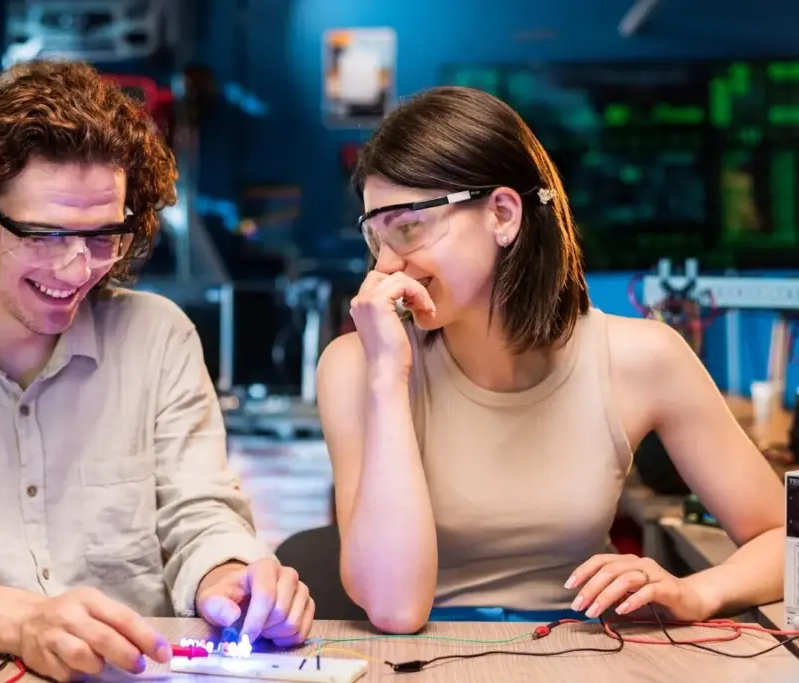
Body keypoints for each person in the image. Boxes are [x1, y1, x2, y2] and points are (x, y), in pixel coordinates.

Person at [0, 60, 313, 680]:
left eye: (103, 236)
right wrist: (26, 621)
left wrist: (229, 580)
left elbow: (201, 515)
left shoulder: (157, 337)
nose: (76, 269)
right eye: (43, 235)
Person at [316, 86, 785, 634]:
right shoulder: (356, 367)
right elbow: (395, 609)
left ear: (502, 214)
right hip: (422, 655)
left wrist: (698, 592)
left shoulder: (643, 357)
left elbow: (782, 539)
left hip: (582, 651)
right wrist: (388, 379)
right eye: (376, 238)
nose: (386, 266)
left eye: (408, 228)